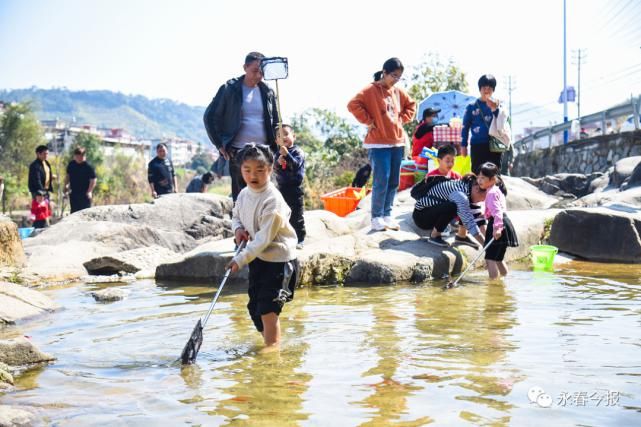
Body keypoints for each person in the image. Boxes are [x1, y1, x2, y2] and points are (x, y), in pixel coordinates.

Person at [227, 143, 299, 349]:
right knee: (255, 309)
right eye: (247, 170)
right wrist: (238, 229)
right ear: (240, 170)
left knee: (268, 309)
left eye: (259, 170)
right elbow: (236, 215)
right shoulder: (243, 194)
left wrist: (239, 260)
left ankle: (272, 357)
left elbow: (263, 239)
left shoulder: (272, 200)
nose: (253, 175)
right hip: (259, 259)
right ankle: (271, 343)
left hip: (279, 261)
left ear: (270, 169)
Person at [347, 57, 416, 231]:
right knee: (381, 179)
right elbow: (353, 104)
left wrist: (401, 119)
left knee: (393, 181)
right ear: (384, 72)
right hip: (378, 143)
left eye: (399, 77)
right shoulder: (370, 90)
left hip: (397, 142)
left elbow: (412, 105)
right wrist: (369, 121)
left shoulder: (397, 91)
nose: (396, 79)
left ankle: (387, 214)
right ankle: (376, 217)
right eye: (393, 75)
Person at [203, 51, 280, 202]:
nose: (259, 75)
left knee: (267, 196)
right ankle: (241, 226)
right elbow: (210, 116)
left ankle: (264, 226)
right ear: (245, 67)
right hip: (238, 152)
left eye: (262, 72)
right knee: (241, 198)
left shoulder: (268, 91)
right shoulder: (229, 89)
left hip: (264, 152)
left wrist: (280, 145)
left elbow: (276, 121)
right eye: (255, 71)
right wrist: (220, 144)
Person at [412, 174, 487, 247]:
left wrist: (487, 240)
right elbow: (469, 222)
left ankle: (461, 236)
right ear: (477, 189)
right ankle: (435, 236)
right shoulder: (461, 195)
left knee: (463, 208)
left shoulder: (467, 186)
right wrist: (485, 245)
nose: (480, 201)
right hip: (421, 217)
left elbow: (477, 217)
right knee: (453, 207)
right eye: (482, 198)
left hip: (427, 212)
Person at [477, 162, 519, 279]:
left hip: (498, 225)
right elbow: (496, 210)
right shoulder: (496, 190)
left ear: (492, 179)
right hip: (503, 223)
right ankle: (505, 280)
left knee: (490, 258)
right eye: (478, 177)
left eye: (483, 178)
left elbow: (498, 213)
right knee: (498, 258)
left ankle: (493, 285)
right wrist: (484, 215)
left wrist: (497, 228)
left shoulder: (491, 193)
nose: (479, 180)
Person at [461, 74, 504, 174]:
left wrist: (494, 108)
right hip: (477, 144)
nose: (487, 90)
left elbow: (503, 122)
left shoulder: (499, 105)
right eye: (484, 87)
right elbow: (465, 127)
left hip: (495, 144)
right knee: (477, 172)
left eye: (490, 87)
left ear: (493, 89)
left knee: (494, 173)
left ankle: (496, 190)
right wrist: (464, 146)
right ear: (480, 89)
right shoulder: (471, 107)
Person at [274, 124, 306, 248]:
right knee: (282, 215)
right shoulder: (278, 154)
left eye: (286, 134)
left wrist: (287, 155)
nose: (283, 137)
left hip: (295, 188)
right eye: (279, 136)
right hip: (281, 188)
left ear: (294, 136)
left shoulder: (298, 152)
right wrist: (278, 163)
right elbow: (274, 169)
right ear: (276, 141)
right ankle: (285, 237)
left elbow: (296, 165)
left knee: (296, 215)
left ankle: (300, 239)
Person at [64, 147, 97, 213]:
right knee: (74, 212)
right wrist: (66, 186)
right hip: (74, 193)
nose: (79, 158)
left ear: (84, 156)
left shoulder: (88, 166)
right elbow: (68, 176)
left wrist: (89, 191)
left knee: (85, 212)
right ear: (74, 156)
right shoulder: (71, 164)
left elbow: (93, 179)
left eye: (81, 156)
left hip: (85, 194)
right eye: (77, 156)